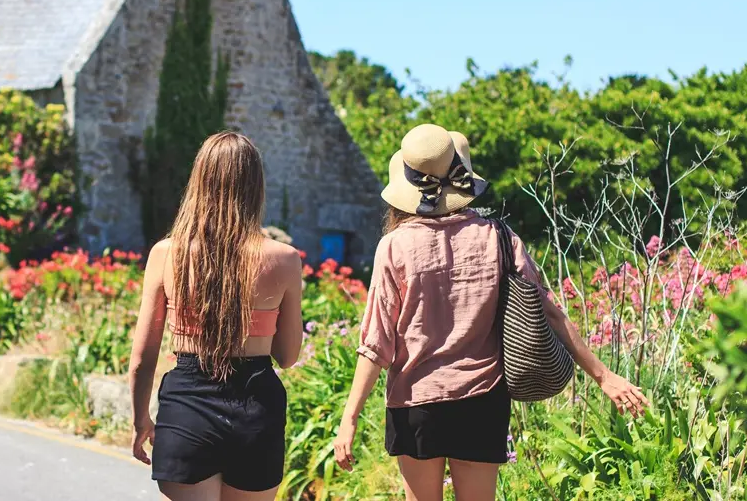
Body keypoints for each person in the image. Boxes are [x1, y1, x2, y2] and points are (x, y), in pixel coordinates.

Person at [332, 124, 649, 501]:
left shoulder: (394, 247)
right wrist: (603, 376)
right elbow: (547, 311)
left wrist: (348, 419)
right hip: (482, 399)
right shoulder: (498, 237)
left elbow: (376, 344)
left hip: (416, 402)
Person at [128, 132, 304, 501]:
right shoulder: (284, 260)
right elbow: (287, 357)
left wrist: (140, 419)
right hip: (257, 406)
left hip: (188, 404)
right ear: (255, 186)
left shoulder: (165, 254)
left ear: (199, 181)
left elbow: (142, 358)